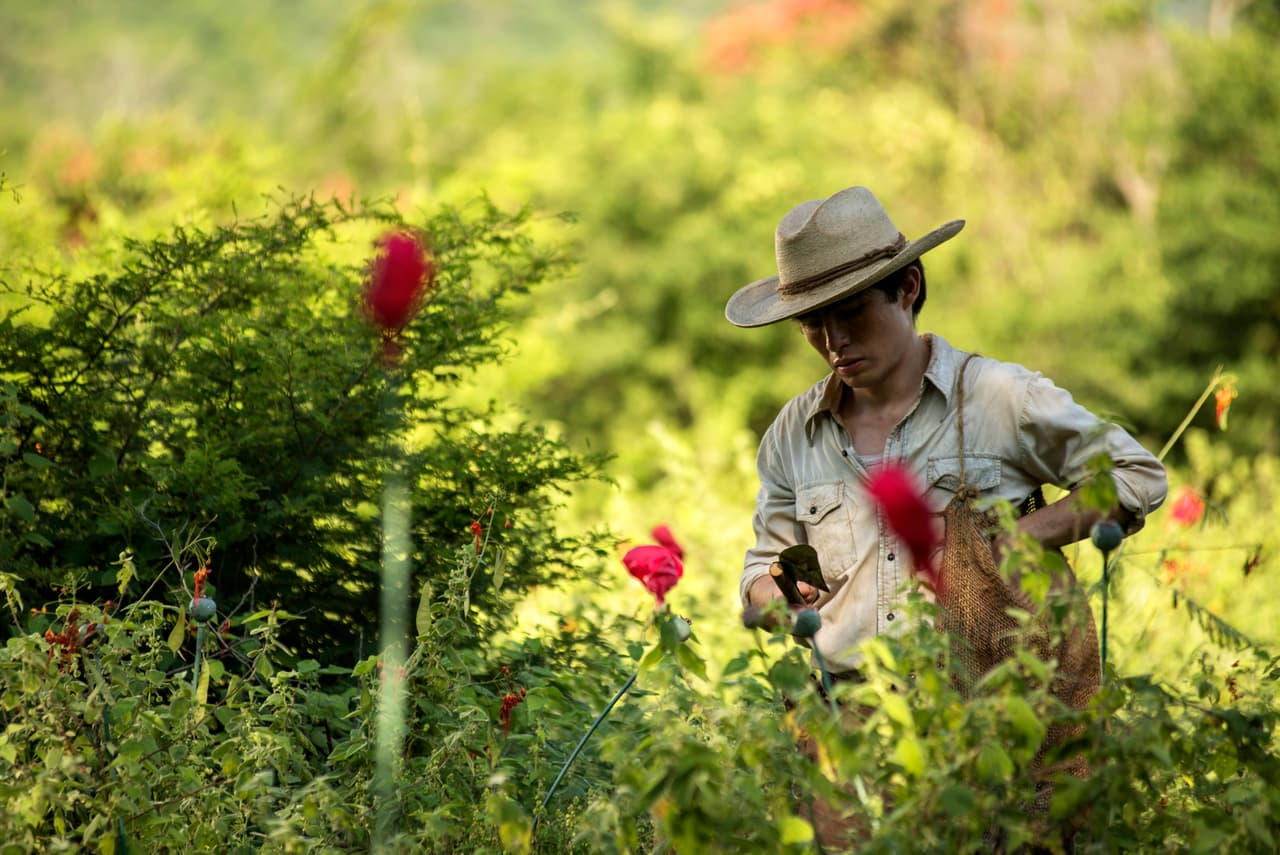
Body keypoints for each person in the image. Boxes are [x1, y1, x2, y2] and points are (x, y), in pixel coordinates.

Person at [725, 185, 1168, 840]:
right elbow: (757, 582)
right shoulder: (794, 434)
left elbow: (1134, 477)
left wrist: (1013, 541)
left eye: (849, 312)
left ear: (907, 287)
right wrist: (782, 591)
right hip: (853, 747)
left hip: (998, 732)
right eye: (813, 322)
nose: (832, 339)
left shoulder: (996, 398)